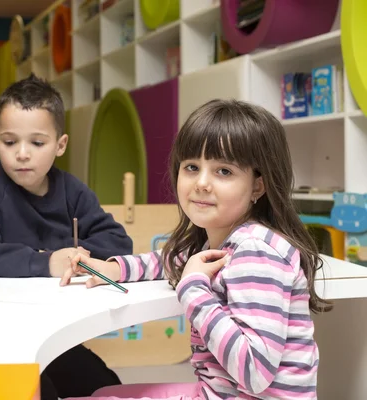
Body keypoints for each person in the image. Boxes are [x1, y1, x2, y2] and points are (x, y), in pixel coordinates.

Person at [62, 99, 332, 400]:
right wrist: (111, 268)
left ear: (258, 186)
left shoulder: (256, 252)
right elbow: (168, 261)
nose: (201, 183)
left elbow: (255, 373)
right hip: (216, 392)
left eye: (224, 172)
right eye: (192, 167)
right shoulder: (220, 241)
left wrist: (193, 289)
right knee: (103, 391)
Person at [0, 74, 131, 399]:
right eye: (10, 142)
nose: (22, 154)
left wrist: (81, 257)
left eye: (36, 143)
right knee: (37, 392)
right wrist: (46, 261)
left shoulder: (71, 190)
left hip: (55, 332)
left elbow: (118, 242)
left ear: (60, 144)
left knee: (106, 387)